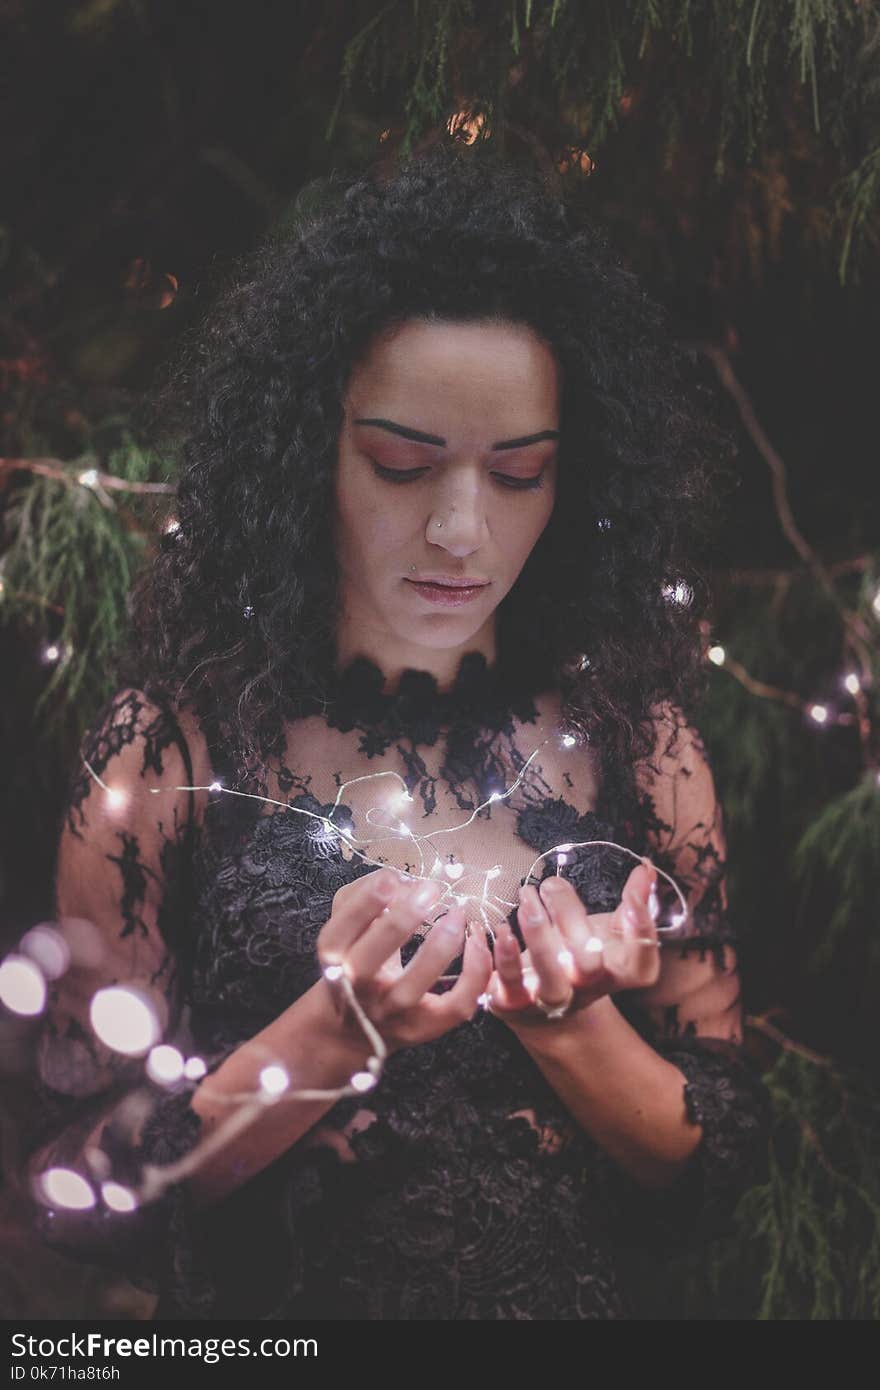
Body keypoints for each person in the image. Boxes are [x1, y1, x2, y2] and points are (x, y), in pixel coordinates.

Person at [16, 142, 772, 1320]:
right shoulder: (166, 756)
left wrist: (572, 1032)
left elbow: (709, 1181)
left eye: (519, 474)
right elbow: (82, 1195)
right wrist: (330, 1034)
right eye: (401, 464)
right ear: (302, 458)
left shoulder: (643, 742)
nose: (462, 530)